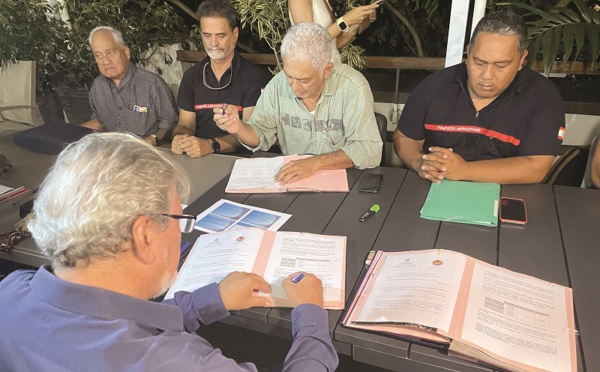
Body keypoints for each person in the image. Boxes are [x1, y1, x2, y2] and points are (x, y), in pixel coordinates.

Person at [0, 133, 338, 371]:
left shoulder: (8, 292)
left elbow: (116, 317)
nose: (180, 230)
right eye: (178, 218)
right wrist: (310, 316)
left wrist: (209, 301)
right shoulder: (180, 363)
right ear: (144, 234)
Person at [393, 11, 566, 185]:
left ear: (521, 59)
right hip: (434, 186)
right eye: (479, 62)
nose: (487, 76)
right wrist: (420, 163)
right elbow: (406, 137)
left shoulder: (543, 97)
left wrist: (465, 170)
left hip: (507, 193)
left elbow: (535, 167)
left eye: (500, 66)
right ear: (468, 52)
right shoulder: (434, 86)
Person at [214, 22, 382, 185]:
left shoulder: (352, 86)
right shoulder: (279, 84)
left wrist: (315, 163)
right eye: (289, 76)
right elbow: (260, 133)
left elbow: (368, 148)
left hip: (345, 179)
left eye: (304, 80)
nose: (294, 87)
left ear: (326, 70)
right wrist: (239, 128)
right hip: (293, 179)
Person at [172, 0, 270, 158]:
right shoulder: (191, 76)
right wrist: (180, 138)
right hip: (198, 155)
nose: (213, 43)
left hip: (241, 159)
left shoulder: (253, 76)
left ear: (235, 35)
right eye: (207, 35)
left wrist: (211, 145)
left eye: (220, 35)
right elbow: (185, 123)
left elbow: (251, 132)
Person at [81, 26, 178, 146]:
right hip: (114, 152)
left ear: (126, 52)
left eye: (110, 53)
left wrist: (153, 138)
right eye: (98, 55)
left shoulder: (152, 83)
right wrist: (70, 130)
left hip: (150, 152)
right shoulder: (98, 86)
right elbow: (100, 122)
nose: (105, 61)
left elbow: (171, 123)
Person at [288, 0, 380, 62]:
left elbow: (333, 45)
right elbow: (309, 42)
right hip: (314, 77)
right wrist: (346, 20)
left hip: (332, 69)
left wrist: (358, 21)